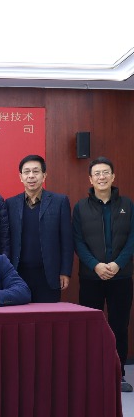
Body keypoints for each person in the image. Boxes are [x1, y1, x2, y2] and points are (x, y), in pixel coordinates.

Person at [73, 156, 134, 392]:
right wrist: (95, 265)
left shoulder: (127, 205)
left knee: (119, 326)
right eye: (97, 173)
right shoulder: (81, 207)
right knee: (90, 327)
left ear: (113, 176)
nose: (101, 177)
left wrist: (118, 264)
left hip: (121, 277)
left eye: (105, 172)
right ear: (90, 179)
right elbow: (78, 241)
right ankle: (91, 373)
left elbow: (132, 239)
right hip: (91, 278)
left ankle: (119, 374)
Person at [6, 155, 73, 302]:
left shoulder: (59, 201)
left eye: (36, 171)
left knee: (48, 315)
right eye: (27, 172)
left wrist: (65, 271)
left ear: (44, 175)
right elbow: (7, 240)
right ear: (21, 177)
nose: (31, 176)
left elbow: (67, 240)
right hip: (18, 274)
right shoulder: (10, 204)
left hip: (49, 274)